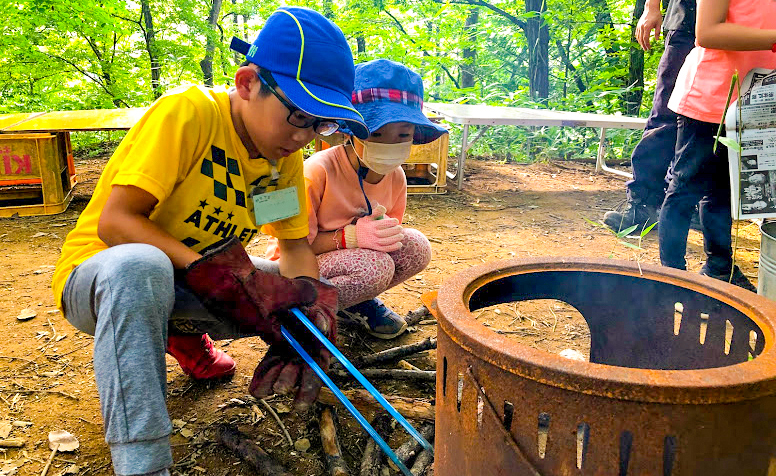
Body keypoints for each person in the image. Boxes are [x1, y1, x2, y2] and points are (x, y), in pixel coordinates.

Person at [51, 7, 368, 475]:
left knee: (289, 291)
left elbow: (295, 248)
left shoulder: (280, 161)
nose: (303, 136)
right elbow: (116, 223)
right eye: (298, 115)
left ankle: (179, 335)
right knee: (143, 266)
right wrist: (217, 273)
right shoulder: (190, 114)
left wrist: (305, 313)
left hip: (188, 283)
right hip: (103, 280)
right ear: (248, 83)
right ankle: (143, 462)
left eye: (319, 124)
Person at [267, 59, 445, 339]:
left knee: (416, 247)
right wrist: (349, 237)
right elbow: (292, 246)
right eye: (376, 133)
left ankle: (354, 302)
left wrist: (373, 236)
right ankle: (308, 314)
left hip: (352, 260)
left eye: (403, 134)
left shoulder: (396, 176)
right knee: (375, 267)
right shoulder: (318, 171)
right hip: (298, 265)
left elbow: (386, 237)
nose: (390, 144)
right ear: (352, 132)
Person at [659, 0, 776, 291]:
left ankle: (719, 268)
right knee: (685, 189)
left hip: (755, 101)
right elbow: (707, 32)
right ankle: (671, 279)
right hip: (711, 96)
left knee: (725, 192)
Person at [603, 0, 697, 233]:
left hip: (742, 29)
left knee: (719, 124)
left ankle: (693, 206)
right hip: (686, 21)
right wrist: (651, 7)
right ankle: (643, 206)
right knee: (666, 117)